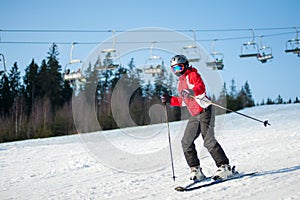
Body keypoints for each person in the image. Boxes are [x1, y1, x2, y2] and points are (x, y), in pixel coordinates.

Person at [161, 55, 236, 181]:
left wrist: (191, 92)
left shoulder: (193, 74)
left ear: (186, 65)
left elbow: (200, 88)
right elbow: (184, 101)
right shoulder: (180, 82)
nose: (177, 71)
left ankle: (225, 167)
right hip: (194, 114)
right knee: (186, 141)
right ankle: (196, 170)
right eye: (174, 69)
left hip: (205, 110)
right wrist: (170, 100)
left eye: (180, 67)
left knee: (208, 140)